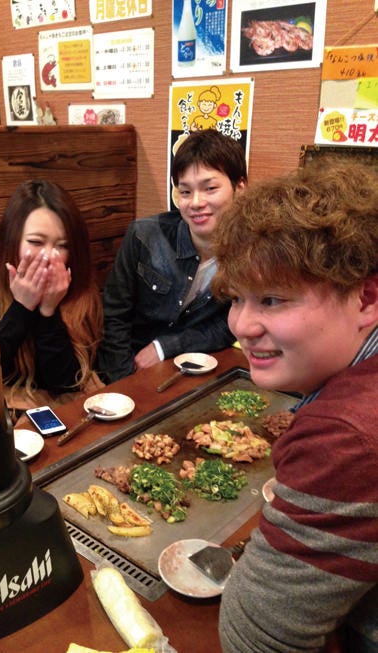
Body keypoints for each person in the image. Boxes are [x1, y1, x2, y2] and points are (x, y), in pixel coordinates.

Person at [211, 160, 378, 652]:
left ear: (366, 298)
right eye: (237, 299)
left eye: (272, 300)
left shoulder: (346, 436)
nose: (242, 326)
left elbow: (255, 639)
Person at [97, 129, 247, 383]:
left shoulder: (250, 252)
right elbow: (113, 316)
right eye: (185, 192)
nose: (195, 202)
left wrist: (165, 347)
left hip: (190, 372)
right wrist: (124, 381)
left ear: (240, 187)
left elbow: (229, 325)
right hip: (125, 367)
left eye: (210, 188)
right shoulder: (144, 236)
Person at [0, 180, 103, 403]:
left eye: (62, 246)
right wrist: (21, 308)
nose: (49, 256)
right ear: (11, 242)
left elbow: (65, 383)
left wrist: (48, 312)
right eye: (36, 242)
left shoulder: (81, 293)